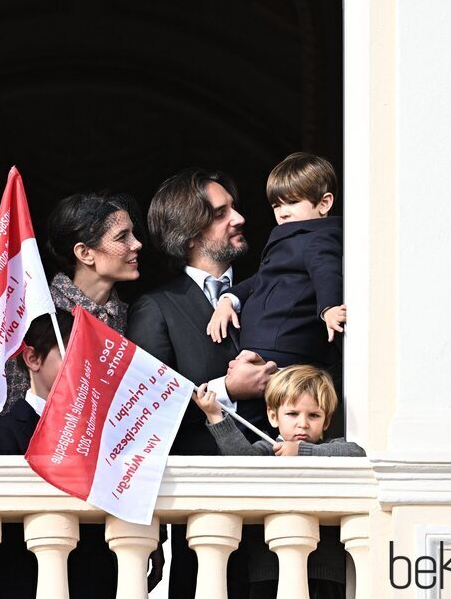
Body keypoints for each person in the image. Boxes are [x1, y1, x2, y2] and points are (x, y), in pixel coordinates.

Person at [126, 168, 277, 599]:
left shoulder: (267, 290)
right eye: (220, 212)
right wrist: (229, 390)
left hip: (280, 501)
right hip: (205, 512)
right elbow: (149, 413)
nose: (240, 218)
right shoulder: (156, 308)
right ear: (190, 234)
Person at [194, 365, 364, 599]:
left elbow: (356, 453)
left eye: (313, 415)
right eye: (292, 414)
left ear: (326, 422)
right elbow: (243, 462)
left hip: (326, 571)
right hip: (268, 568)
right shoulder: (267, 450)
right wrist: (215, 415)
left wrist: (301, 451)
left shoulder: (329, 450)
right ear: (273, 416)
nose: (302, 423)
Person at [0, 311, 116, 599]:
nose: (80, 365)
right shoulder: (7, 429)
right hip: (29, 573)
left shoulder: (100, 424)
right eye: (69, 353)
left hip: (91, 571)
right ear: (33, 358)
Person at [3, 192, 144, 413]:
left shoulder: (131, 316)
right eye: (122, 237)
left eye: (133, 234)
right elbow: (15, 407)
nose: (136, 244)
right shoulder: (38, 314)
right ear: (85, 252)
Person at [207, 153, 345, 368]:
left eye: (292, 202)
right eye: (276, 206)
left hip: (287, 343)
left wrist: (329, 308)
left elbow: (325, 270)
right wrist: (229, 300)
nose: (283, 213)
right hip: (267, 342)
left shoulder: (318, 237)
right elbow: (261, 279)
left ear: (324, 203)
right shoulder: (290, 238)